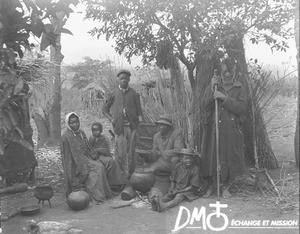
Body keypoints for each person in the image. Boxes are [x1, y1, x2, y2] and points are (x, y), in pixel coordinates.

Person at [200, 58, 248, 199]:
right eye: (225, 72)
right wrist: (211, 89)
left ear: (235, 72)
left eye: (231, 72)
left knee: (227, 156)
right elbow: (205, 105)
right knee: (211, 155)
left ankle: (225, 186)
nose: (227, 75)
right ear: (220, 73)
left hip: (230, 128)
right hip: (212, 127)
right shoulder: (214, 86)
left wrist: (224, 98)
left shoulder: (240, 88)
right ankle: (210, 186)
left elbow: (241, 107)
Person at [60, 113, 123, 203]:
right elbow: (67, 157)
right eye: (72, 123)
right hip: (78, 162)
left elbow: (88, 146)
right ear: (68, 124)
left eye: (77, 122)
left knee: (110, 161)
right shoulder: (66, 137)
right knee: (99, 167)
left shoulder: (81, 133)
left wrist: (94, 153)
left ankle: (114, 187)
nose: (75, 124)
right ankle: (99, 195)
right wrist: (81, 164)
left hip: (88, 156)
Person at [102, 69, 143, 178]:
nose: (124, 80)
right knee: (120, 151)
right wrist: (111, 118)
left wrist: (139, 118)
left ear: (129, 79)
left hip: (132, 126)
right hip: (119, 127)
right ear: (118, 80)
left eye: (126, 78)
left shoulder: (133, 93)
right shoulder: (114, 93)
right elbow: (105, 109)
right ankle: (119, 174)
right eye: (121, 78)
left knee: (131, 151)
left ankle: (131, 174)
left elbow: (139, 108)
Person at [152, 148, 201, 212]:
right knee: (169, 195)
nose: (188, 160)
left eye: (190, 158)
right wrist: (172, 189)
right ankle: (157, 203)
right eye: (186, 158)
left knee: (178, 197)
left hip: (188, 191)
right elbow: (173, 179)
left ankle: (164, 206)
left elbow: (192, 186)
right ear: (181, 159)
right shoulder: (178, 166)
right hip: (177, 188)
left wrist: (178, 191)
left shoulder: (195, 169)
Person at [88, 122, 127, 192]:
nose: (95, 132)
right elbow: (90, 149)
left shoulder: (104, 138)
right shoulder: (92, 138)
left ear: (101, 130)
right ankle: (112, 184)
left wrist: (107, 153)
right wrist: (97, 152)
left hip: (104, 155)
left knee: (113, 162)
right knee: (110, 161)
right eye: (93, 130)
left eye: (97, 130)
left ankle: (117, 182)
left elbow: (107, 148)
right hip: (97, 156)